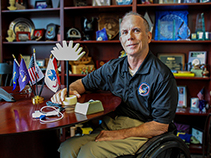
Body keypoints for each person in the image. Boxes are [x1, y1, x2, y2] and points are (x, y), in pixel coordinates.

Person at [51, 11, 178, 158]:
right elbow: (82, 84)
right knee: (68, 147)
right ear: (121, 39)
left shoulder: (162, 76)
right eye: (124, 32)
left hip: (143, 131)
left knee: (88, 152)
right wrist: (69, 90)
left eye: (136, 30)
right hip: (111, 123)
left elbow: (160, 126)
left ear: (148, 37)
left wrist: (119, 134)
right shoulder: (113, 67)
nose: (130, 36)